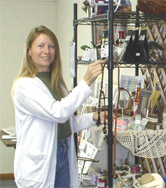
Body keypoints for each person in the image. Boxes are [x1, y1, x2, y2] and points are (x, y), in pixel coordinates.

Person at [11, 25, 107, 188]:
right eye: (40, 46)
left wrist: (94, 118)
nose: (46, 51)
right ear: (29, 51)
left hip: (63, 153)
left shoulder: (58, 85)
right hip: (41, 163)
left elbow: (67, 123)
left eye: (51, 46)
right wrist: (86, 82)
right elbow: (58, 113)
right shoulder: (25, 85)